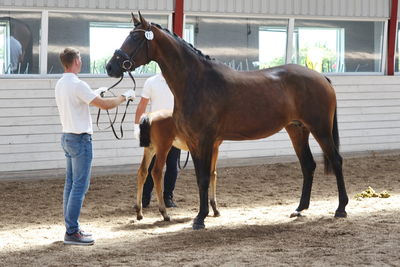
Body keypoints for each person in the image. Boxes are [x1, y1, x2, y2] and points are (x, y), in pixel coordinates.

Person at [55, 47, 135, 246]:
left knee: (71, 184)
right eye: (80, 58)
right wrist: (124, 97)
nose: (81, 61)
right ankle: (72, 232)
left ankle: (70, 228)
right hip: (80, 139)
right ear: (75, 61)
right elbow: (105, 105)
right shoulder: (77, 84)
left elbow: (81, 101)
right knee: (80, 186)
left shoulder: (61, 83)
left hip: (67, 136)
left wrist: (95, 93)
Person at [134, 73, 180, 208]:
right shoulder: (151, 81)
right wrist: (137, 127)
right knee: (150, 164)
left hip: (174, 128)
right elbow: (142, 105)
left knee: (172, 165)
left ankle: (168, 197)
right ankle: (145, 197)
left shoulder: (178, 79)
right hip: (154, 128)